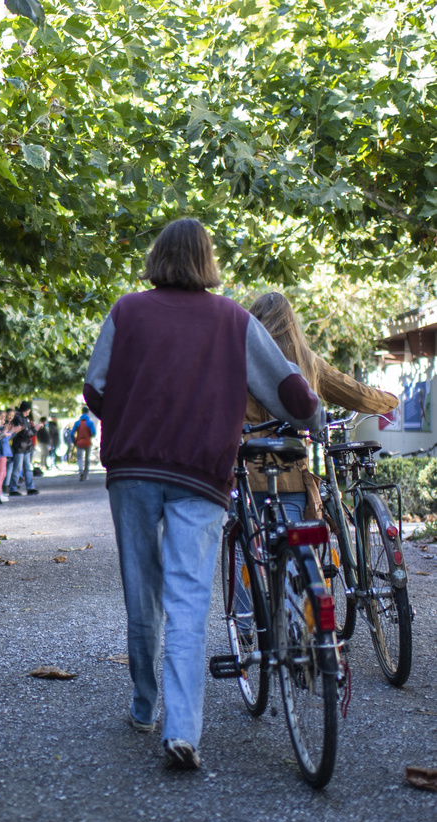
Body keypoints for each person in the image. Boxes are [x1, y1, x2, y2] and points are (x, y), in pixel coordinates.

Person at [83, 217, 323, 771]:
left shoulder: (127, 311)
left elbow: (95, 388)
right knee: (190, 599)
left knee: (142, 591)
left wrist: (128, 415)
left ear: (157, 256)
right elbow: (288, 389)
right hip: (201, 471)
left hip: (134, 469)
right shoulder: (233, 319)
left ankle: (143, 705)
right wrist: (309, 416)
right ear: (207, 260)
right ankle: (182, 730)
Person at [243, 292, 397, 521]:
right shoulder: (307, 361)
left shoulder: (238, 357)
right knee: (295, 546)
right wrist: (388, 401)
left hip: (248, 472)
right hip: (291, 473)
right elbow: (353, 392)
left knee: (249, 547)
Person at [6, 401, 39, 496]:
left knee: (26, 468)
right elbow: (25, 433)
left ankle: (29, 487)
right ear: (28, 410)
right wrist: (35, 429)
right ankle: (14, 488)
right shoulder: (20, 419)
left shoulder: (24, 418)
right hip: (20, 447)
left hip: (24, 447)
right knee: (19, 468)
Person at [72, 405, 98, 481]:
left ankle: (80, 471)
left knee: (79, 458)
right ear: (87, 413)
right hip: (87, 442)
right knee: (87, 459)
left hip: (79, 442)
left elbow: (72, 433)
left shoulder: (77, 423)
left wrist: (74, 441)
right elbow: (93, 433)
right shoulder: (90, 423)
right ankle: (86, 474)